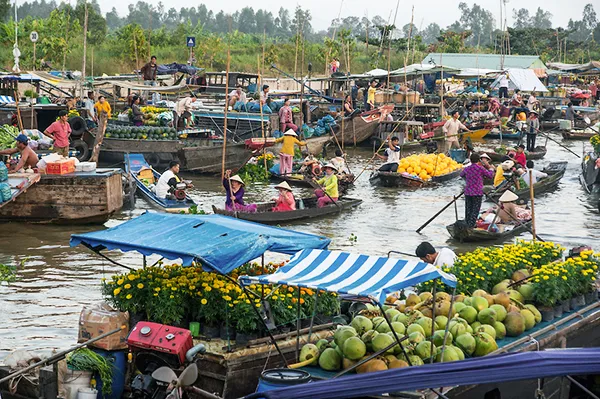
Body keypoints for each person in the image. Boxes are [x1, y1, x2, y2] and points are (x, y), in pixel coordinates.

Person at [460, 153, 495, 227]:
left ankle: (467, 223)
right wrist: (491, 169)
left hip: (468, 192)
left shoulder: (467, 168)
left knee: (468, 209)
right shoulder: (480, 168)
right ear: (478, 160)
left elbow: (461, 174)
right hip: (477, 192)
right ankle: (471, 226)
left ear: (470, 160)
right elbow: (490, 175)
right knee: (475, 210)